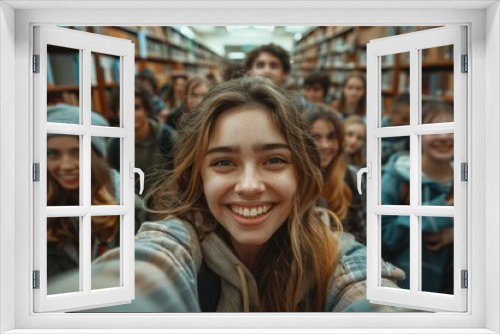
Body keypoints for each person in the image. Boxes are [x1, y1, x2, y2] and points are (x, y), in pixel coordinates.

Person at [49, 77, 406, 312]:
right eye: (223, 162)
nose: (249, 185)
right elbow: (147, 268)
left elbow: (365, 289)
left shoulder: (335, 256)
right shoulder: (175, 238)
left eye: (275, 160)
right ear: (197, 175)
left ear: (301, 172)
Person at [381, 102, 454, 293]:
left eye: (451, 129)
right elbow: (384, 238)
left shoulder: (473, 179)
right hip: (406, 288)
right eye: (434, 129)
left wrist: (458, 235)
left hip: (458, 292)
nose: (444, 137)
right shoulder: (396, 179)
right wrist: (442, 208)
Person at [46, 104, 122, 285]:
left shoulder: (128, 206)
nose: (66, 165)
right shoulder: (31, 210)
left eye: (77, 152)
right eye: (53, 154)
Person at [303, 107, 366, 245]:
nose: (325, 145)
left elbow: (366, 234)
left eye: (331, 137)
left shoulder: (354, 177)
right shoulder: (293, 179)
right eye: (315, 137)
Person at [108, 79, 178, 196]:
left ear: (147, 110)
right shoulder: (114, 144)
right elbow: (113, 187)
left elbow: (183, 182)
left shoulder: (168, 138)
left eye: (136, 107)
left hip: (167, 208)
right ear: (116, 113)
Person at [380, 93, 411, 167]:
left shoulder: (412, 138)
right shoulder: (372, 129)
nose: (409, 124)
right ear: (392, 113)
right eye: (405, 119)